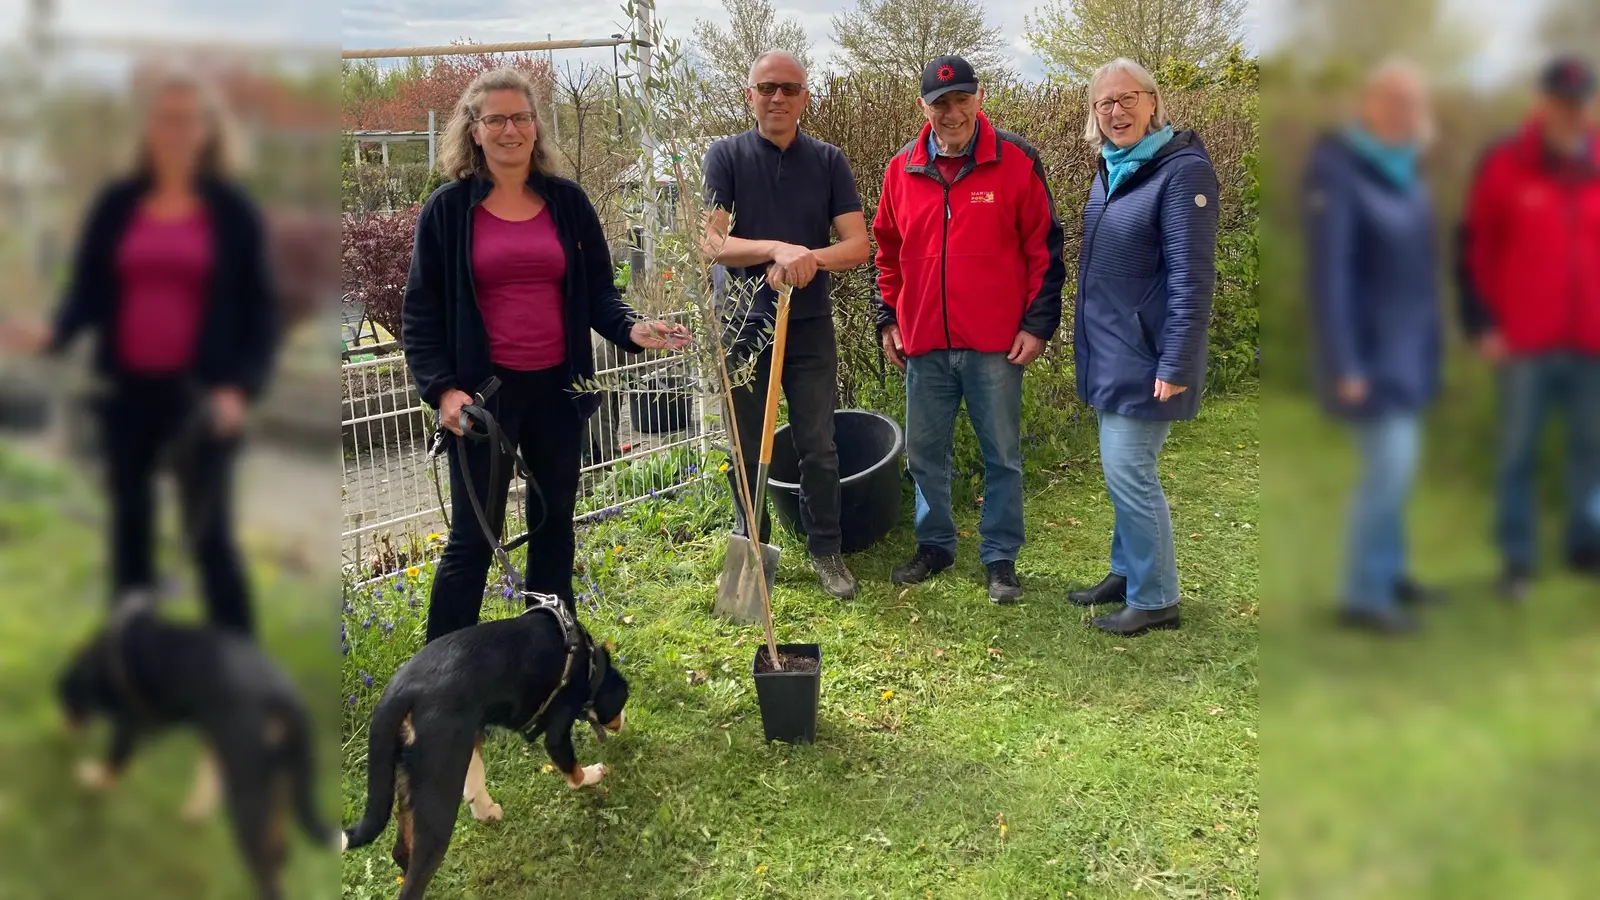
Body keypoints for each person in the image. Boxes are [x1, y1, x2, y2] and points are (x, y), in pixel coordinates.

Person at [403, 67, 688, 641]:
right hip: (484, 398)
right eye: (496, 119)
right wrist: (441, 389)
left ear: (536, 126)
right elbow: (422, 310)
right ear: (474, 130)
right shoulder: (448, 210)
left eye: (522, 117)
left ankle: (548, 655)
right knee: (472, 538)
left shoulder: (567, 202)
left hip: (559, 390)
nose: (511, 129)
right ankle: (438, 674)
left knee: (555, 522)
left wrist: (632, 330)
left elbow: (600, 295)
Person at [0, 65, 278, 635]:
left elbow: (260, 311)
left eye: (188, 120)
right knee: (130, 531)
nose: (176, 130)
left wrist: (238, 389)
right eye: (165, 119)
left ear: (207, 131)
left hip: (202, 397)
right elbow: (88, 289)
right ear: (149, 129)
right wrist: (53, 334)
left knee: (209, 538)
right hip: (127, 391)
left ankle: (244, 677)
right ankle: (132, 669)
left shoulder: (232, 212)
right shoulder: (118, 204)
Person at [872, 55, 1065, 604]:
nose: (951, 112)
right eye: (940, 103)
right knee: (925, 456)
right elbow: (885, 250)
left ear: (979, 99)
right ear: (923, 107)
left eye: (961, 100)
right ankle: (934, 546)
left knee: (1002, 455)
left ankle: (1000, 558)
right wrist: (888, 316)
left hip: (997, 345)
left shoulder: (1017, 160)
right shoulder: (900, 169)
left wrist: (1038, 323)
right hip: (924, 343)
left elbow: (1044, 249)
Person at [701, 50, 871, 600]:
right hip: (743, 327)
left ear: (805, 98)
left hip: (810, 326)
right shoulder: (725, 156)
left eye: (790, 88)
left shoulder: (827, 161)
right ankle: (751, 552)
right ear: (749, 94)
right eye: (767, 87)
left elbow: (857, 244)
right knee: (745, 446)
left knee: (817, 443)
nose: (778, 97)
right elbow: (711, 243)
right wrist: (777, 246)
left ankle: (826, 550)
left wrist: (808, 260)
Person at [1063, 58, 1218, 636]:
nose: (1116, 112)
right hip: (1112, 349)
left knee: (1130, 470)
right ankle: (1127, 572)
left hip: (1150, 355)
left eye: (1127, 98)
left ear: (1153, 102)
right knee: (1122, 468)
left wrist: (1176, 359)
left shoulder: (1182, 173)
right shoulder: (1113, 169)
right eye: (1104, 103)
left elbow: (1191, 276)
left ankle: (1155, 597)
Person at [1302, 59, 1443, 634]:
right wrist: (1346, 362)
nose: (1407, 114)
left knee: (1399, 467)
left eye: (1414, 104)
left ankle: (1390, 571)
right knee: (1390, 465)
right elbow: (1330, 275)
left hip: (1411, 348)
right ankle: (1364, 594)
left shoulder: (1405, 170)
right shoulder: (1340, 171)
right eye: (1395, 102)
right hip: (1369, 355)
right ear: (1370, 106)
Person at [1458, 55, 1600, 602]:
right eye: (1561, 104)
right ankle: (1517, 560)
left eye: (1579, 104)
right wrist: (1481, 323)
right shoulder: (1506, 163)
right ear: (1541, 105)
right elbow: (1474, 245)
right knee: (1518, 451)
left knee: (1591, 448)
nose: (1570, 113)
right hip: (1524, 342)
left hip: (1591, 340)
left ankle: (1585, 545)